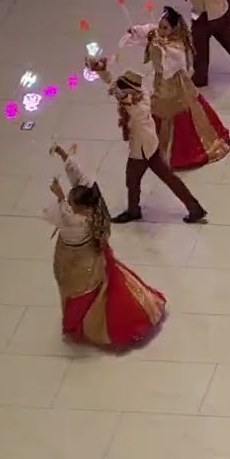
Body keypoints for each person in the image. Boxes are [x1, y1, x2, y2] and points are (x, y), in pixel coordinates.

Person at [44, 143, 167, 348]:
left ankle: (89, 325)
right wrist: (63, 154)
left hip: (78, 264)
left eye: (72, 201)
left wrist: (59, 195)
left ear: (80, 207)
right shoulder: (94, 202)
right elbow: (80, 179)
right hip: (94, 257)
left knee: (80, 293)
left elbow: (65, 212)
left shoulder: (78, 223)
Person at [86, 60, 208, 224]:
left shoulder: (139, 106)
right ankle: (194, 208)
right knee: (167, 179)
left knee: (133, 179)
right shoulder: (139, 91)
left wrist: (124, 100)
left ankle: (133, 211)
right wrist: (102, 71)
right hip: (151, 144)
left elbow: (131, 107)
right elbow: (113, 83)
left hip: (142, 149)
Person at [120, 7, 230, 170]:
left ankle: (184, 150)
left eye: (165, 28)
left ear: (174, 28)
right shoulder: (156, 35)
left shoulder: (177, 45)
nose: (161, 30)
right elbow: (146, 30)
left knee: (180, 110)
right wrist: (135, 31)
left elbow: (173, 65)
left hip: (175, 84)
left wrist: (160, 49)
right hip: (160, 84)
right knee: (159, 109)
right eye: (160, 26)